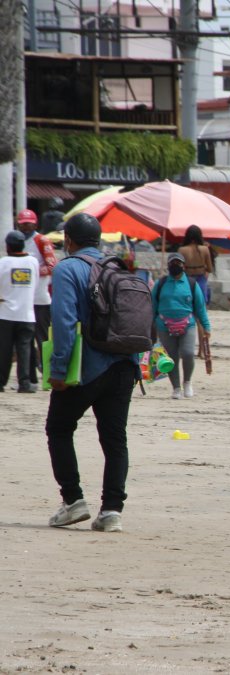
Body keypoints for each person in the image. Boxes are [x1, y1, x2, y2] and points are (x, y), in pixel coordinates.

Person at [45, 213, 141, 533]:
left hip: (87, 366)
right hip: (125, 364)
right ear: (98, 240)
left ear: (69, 241)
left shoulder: (67, 269)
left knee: (59, 428)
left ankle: (73, 501)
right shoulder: (119, 267)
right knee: (115, 439)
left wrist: (58, 369)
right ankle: (112, 511)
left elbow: (64, 323)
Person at [151, 253, 211, 399]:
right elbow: (152, 307)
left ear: (183, 266)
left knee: (188, 353)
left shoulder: (191, 284)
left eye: (178, 263)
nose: (175, 265)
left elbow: (200, 307)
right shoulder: (161, 284)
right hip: (164, 326)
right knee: (171, 359)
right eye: (172, 263)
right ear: (168, 265)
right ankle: (176, 388)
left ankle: (187, 382)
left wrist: (206, 326)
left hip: (187, 324)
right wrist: (148, 326)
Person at [17, 208, 57, 383]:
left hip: (40, 298)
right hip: (23, 299)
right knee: (25, 340)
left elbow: (52, 266)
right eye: (23, 224)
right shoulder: (16, 241)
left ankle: (48, 371)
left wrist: (29, 271)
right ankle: (31, 376)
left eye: (29, 224)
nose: (26, 227)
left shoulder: (41, 240)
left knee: (43, 338)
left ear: (35, 223)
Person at [0, 230, 40, 393]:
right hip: (27, 313)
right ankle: (24, 383)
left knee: (4, 350)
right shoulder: (33, 262)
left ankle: (1, 381)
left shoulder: (3, 262)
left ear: (8, 246)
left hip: (6, 313)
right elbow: (36, 284)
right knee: (25, 349)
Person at [177, 225, 215, 305]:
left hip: (187, 278)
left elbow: (179, 268)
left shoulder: (181, 250)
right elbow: (210, 269)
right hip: (200, 277)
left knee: (187, 302)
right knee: (201, 302)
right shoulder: (205, 249)